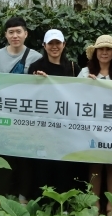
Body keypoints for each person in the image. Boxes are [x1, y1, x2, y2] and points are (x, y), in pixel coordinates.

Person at [0, 17, 42, 202]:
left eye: (19, 31)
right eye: (11, 32)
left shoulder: (36, 57)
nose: (15, 35)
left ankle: (23, 198)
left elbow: (40, 90)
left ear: (26, 33)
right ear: (5, 35)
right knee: (1, 158)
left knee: (25, 160)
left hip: (26, 118)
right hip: (1, 118)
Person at [78, 35, 112, 216]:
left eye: (108, 49)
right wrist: (88, 86)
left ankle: (111, 205)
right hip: (92, 125)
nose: (105, 52)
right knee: (95, 164)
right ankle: (94, 203)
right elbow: (75, 97)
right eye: (101, 49)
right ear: (96, 52)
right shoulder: (84, 73)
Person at [28, 29, 82, 193]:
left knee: (64, 165)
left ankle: (63, 203)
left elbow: (82, 93)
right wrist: (37, 81)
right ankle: (43, 202)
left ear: (64, 45)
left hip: (66, 127)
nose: (54, 47)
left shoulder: (73, 67)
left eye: (57, 43)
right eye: (50, 43)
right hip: (43, 126)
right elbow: (28, 94)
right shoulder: (36, 67)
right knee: (42, 164)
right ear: (44, 46)